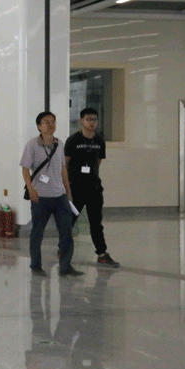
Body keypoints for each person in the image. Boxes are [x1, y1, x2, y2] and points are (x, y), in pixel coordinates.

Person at [21, 111, 81, 277]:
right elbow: (25, 168)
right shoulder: (32, 144)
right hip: (40, 197)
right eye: (46, 122)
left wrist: (68, 192)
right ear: (39, 126)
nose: (51, 124)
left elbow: (63, 170)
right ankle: (35, 265)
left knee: (66, 231)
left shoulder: (59, 144)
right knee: (37, 232)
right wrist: (31, 188)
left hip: (59, 196)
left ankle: (65, 266)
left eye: (53, 121)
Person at [64, 107, 119, 269]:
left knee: (96, 223)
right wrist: (66, 187)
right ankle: (63, 249)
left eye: (94, 119)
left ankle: (102, 253)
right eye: (88, 119)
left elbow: (98, 163)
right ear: (81, 121)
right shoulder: (73, 140)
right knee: (69, 220)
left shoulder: (99, 141)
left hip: (94, 188)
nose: (92, 122)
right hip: (76, 188)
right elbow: (64, 164)